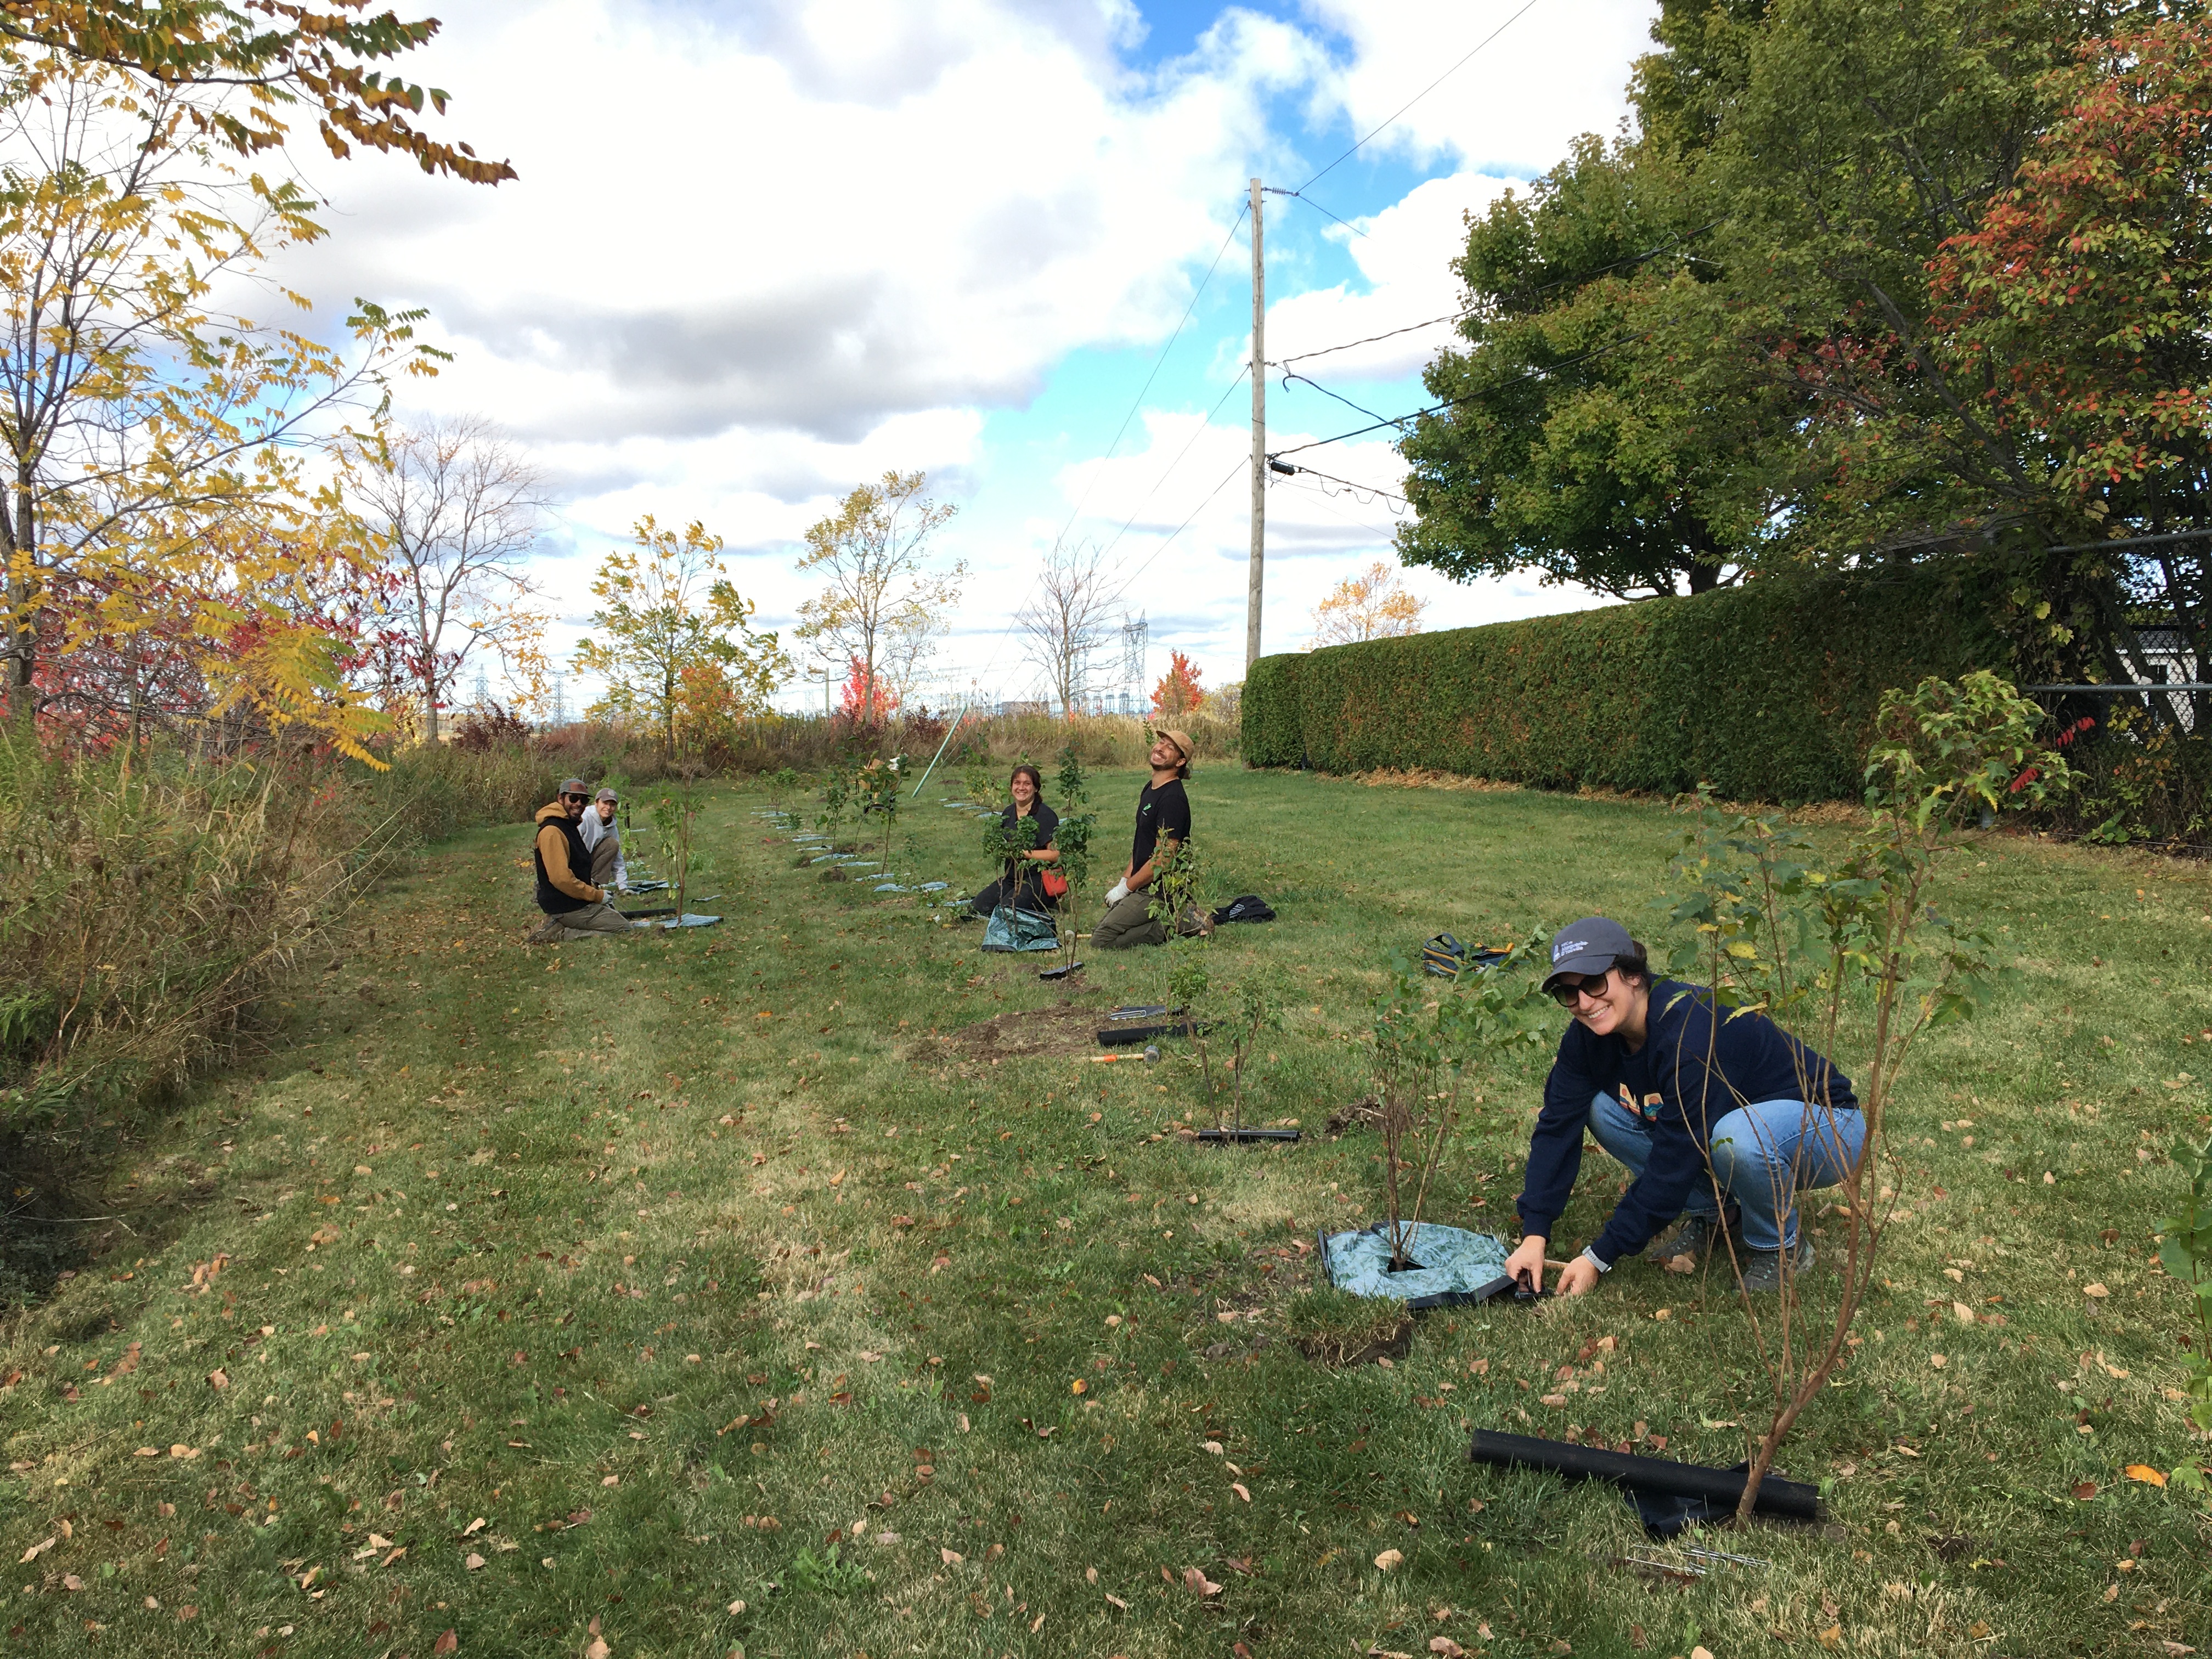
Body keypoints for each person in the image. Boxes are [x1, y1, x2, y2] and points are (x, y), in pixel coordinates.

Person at [1503, 916, 1865, 1297]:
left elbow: (1676, 1156)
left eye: (1594, 983)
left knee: (1738, 1138)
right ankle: (1717, 1214)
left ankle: (1780, 1247)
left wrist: (1599, 1256)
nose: (1584, 1003)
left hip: (1828, 1126)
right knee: (1601, 1110)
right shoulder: (1587, 1039)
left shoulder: (1691, 1033)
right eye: (1568, 993)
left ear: (1633, 975)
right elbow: (1557, 1125)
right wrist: (1534, 1233)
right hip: (1734, 1127)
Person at [1090, 729, 1205, 950]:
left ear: (1180, 761)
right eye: (1161, 742)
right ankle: (1170, 915)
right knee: (1103, 927)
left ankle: (1178, 923)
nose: (1160, 748)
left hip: (1160, 889)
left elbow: (1164, 859)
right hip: (1143, 882)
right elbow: (1142, 840)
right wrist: (1125, 879)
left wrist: (1126, 890)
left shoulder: (1172, 800)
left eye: (1170, 748)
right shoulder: (1150, 788)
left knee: (1101, 939)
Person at [528, 777, 633, 941]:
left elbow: (579, 864)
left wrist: (600, 890)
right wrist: (596, 896)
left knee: (617, 920)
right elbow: (561, 879)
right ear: (560, 798)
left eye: (583, 800)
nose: (579, 803)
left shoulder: (569, 824)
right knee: (623, 928)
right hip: (567, 905)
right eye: (573, 798)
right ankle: (560, 933)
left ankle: (561, 924)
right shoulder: (552, 831)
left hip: (576, 900)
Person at [968, 764, 1060, 918]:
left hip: (1039, 879)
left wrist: (1024, 854)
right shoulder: (1008, 813)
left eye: (1027, 783)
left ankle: (1045, 902)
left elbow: (1056, 855)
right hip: (1013, 878)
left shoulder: (1045, 815)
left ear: (1036, 788)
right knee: (977, 908)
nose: (1021, 788)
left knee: (1006, 912)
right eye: (1017, 783)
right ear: (1011, 786)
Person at [580, 786, 627, 892]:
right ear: (596, 803)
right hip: (576, 860)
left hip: (589, 860)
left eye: (612, 805)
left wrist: (623, 887)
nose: (608, 808)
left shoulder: (612, 826)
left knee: (613, 844)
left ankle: (594, 884)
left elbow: (618, 858)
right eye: (605, 803)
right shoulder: (585, 818)